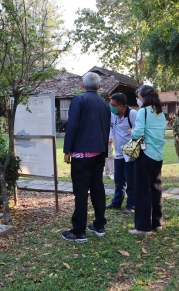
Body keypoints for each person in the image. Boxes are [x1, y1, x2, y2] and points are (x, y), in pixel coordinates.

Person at [62, 72, 111, 243]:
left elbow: (72, 125)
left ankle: (79, 231)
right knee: (98, 188)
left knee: (81, 191)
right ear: (99, 87)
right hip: (99, 153)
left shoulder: (79, 99)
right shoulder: (105, 104)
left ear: (82, 86)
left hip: (82, 154)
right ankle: (99, 225)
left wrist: (67, 150)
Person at [128, 85, 166, 236]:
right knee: (156, 187)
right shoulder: (160, 113)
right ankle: (157, 222)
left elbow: (138, 133)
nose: (137, 100)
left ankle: (143, 227)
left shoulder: (142, 112)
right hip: (158, 154)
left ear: (143, 98)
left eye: (138, 97)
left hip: (145, 154)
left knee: (142, 190)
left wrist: (131, 132)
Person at [106, 93, 137, 214]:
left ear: (121, 106)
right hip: (118, 152)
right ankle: (116, 201)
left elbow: (139, 130)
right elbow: (111, 128)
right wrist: (110, 138)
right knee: (118, 180)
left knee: (131, 181)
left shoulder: (132, 114)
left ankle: (131, 205)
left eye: (113, 105)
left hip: (130, 153)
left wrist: (133, 131)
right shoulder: (113, 114)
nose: (111, 107)